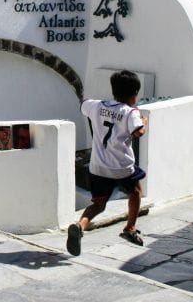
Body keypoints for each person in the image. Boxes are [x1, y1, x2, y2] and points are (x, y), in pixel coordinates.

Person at [66, 70, 147, 256]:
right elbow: (138, 133)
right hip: (122, 168)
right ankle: (130, 228)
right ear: (134, 95)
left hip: (98, 167)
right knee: (135, 192)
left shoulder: (96, 106)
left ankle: (80, 226)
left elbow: (83, 105)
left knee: (98, 204)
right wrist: (144, 121)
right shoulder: (131, 112)